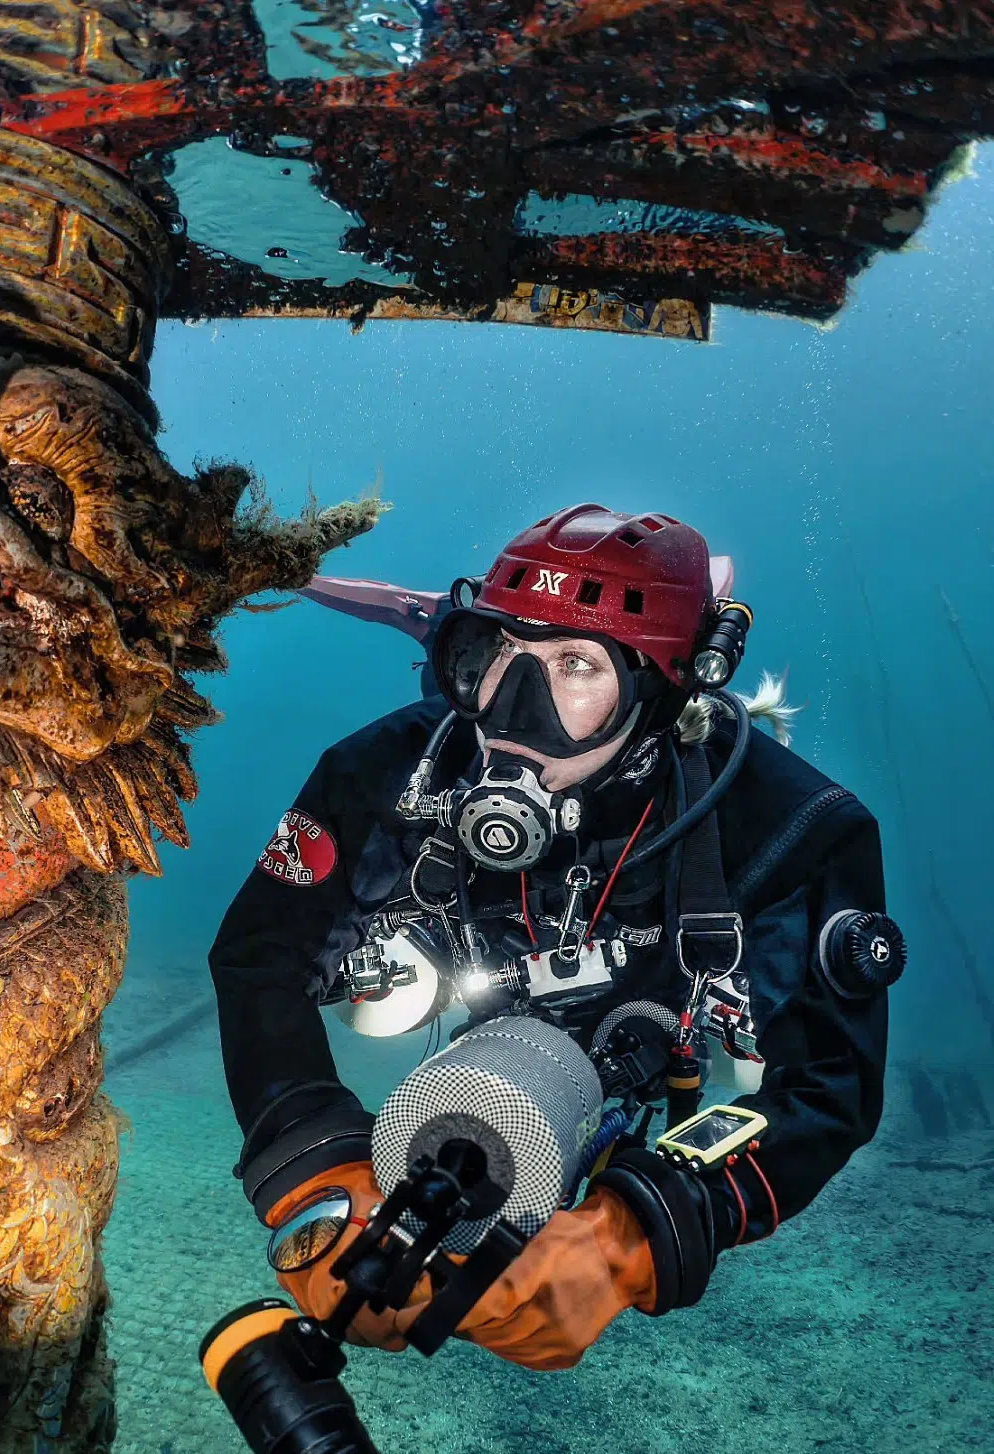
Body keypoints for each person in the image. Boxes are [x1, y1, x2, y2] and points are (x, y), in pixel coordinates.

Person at [208, 503, 898, 1371]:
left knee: (755, 1066)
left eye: (574, 664)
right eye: (497, 653)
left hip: (663, 1019)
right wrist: (312, 1167)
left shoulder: (789, 826)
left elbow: (829, 1085)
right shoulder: (384, 775)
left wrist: (635, 1231)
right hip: (484, 1007)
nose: (513, 707)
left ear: (662, 690)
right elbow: (258, 955)